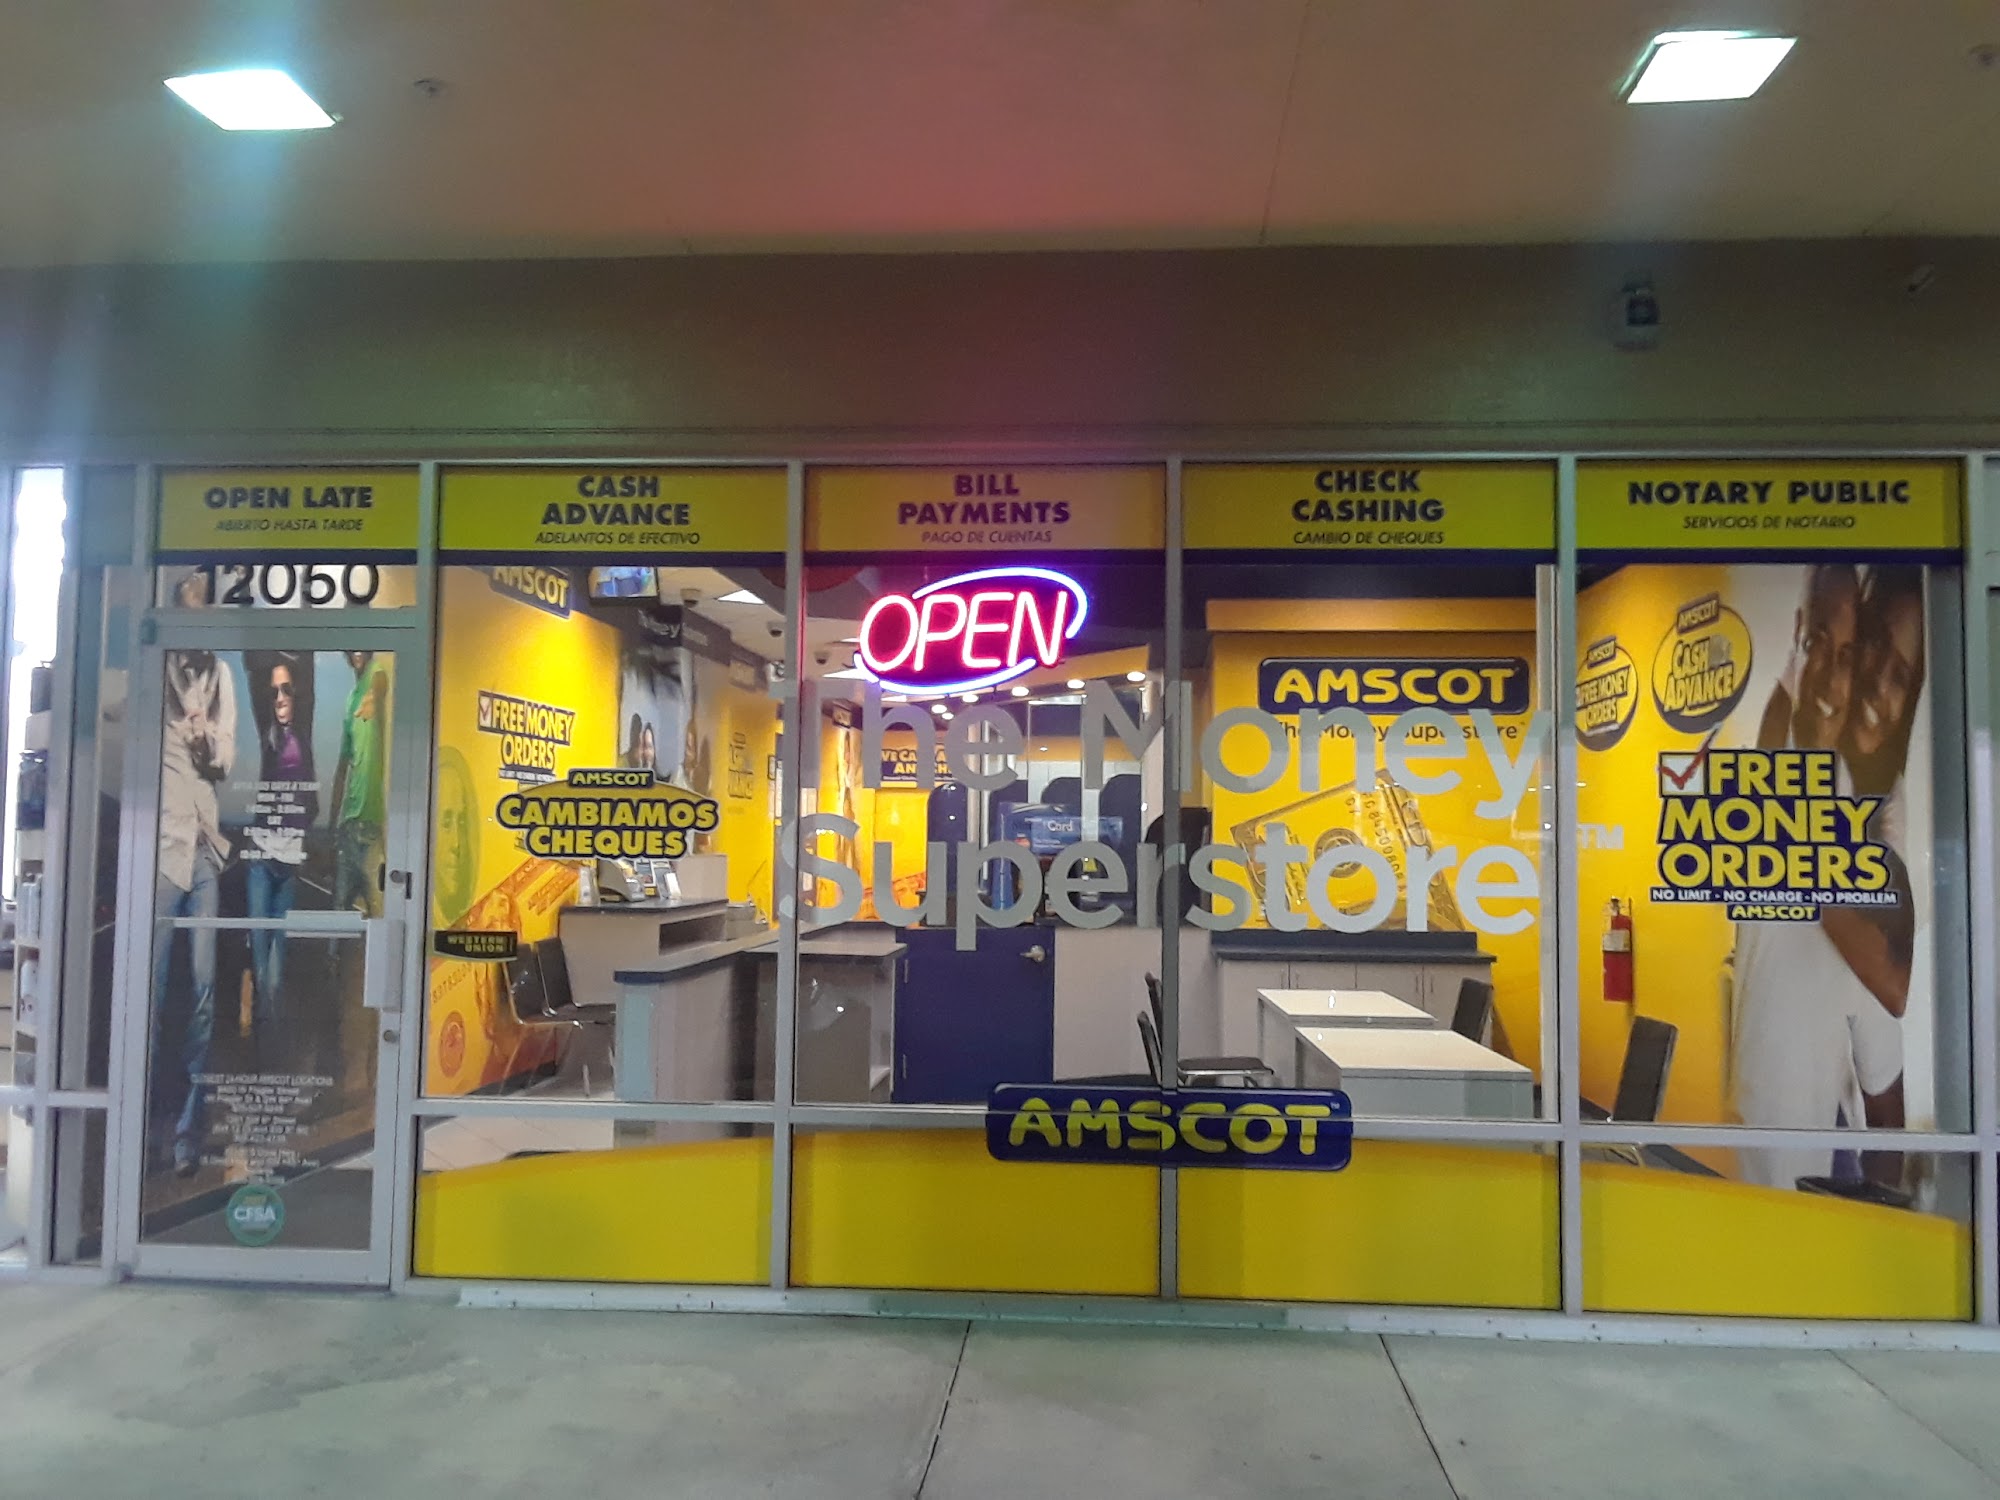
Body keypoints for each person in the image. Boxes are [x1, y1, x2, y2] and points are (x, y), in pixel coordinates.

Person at [152, 646, 236, 1176]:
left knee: (204, 993)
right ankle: (147, 1126)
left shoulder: (220, 674)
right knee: (152, 995)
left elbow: (224, 763)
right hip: (163, 851)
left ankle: (187, 1130)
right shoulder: (157, 670)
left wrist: (201, 733)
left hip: (205, 851)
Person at [243, 654, 317, 1043]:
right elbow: (253, 670)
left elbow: (308, 677)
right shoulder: (267, 734)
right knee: (260, 961)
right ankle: (261, 1040)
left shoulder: (303, 731)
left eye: (287, 689)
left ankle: (269, 1039)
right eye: (273, 692)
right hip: (261, 856)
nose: (281, 698)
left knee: (276, 967)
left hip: (288, 862)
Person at [330, 650, 391, 917]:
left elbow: (380, 684)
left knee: (377, 908)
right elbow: (342, 768)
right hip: (348, 826)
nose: (356, 653)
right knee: (339, 909)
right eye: (351, 649)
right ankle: (333, 950)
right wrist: (332, 825)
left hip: (371, 825)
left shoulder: (376, 674)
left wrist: (373, 699)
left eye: (361, 647)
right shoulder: (350, 700)